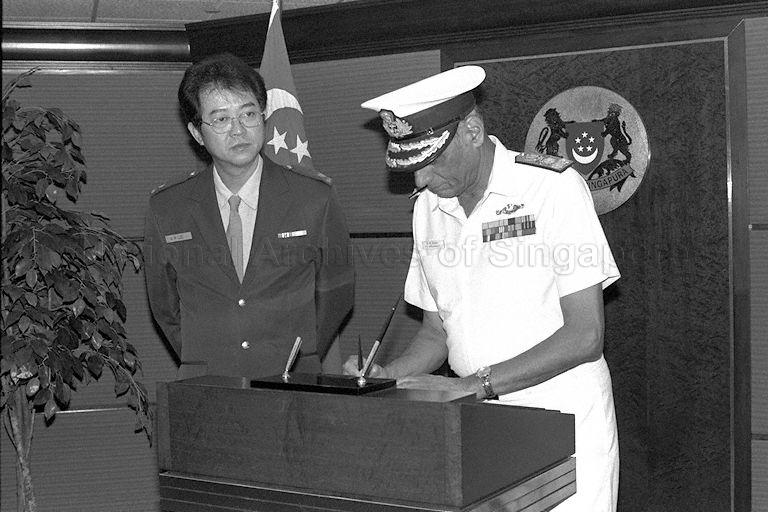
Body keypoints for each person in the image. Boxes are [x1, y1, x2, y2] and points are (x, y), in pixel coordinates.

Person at [347, 66, 620, 511]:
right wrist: (386, 377)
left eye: (430, 160)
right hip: (476, 425)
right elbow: (437, 334)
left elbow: (586, 335)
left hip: (561, 419)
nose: (418, 180)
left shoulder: (551, 189)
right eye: (412, 165)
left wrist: (477, 384)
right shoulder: (429, 209)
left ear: (472, 131)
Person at [145, 53, 354, 380]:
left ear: (264, 117)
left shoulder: (313, 197)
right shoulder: (168, 208)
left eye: (248, 114)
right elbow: (164, 305)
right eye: (221, 119)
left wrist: (303, 352)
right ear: (197, 133)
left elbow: (337, 291)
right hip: (207, 383)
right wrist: (205, 352)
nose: (238, 130)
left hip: (292, 378)